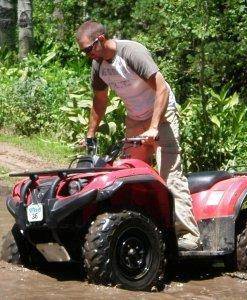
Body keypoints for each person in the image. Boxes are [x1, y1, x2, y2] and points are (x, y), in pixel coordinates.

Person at [76, 21, 200, 250]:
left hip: (162, 114)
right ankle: (144, 229)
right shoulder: (98, 64)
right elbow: (100, 100)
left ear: (101, 39)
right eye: (83, 51)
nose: (87, 55)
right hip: (135, 117)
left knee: (169, 174)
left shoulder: (132, 52)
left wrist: (153, 127)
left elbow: (161, 87)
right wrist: (90, 133)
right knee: (130, 175)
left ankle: (188, 236)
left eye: (88, 49)